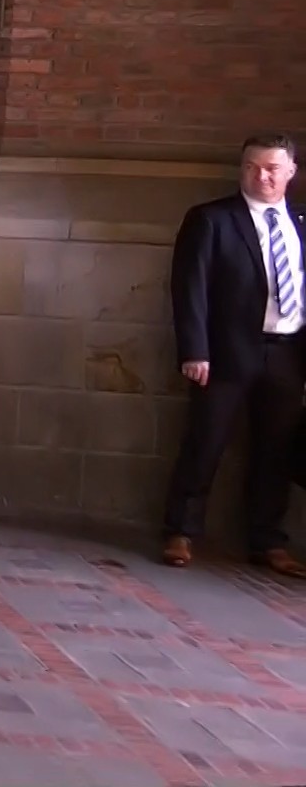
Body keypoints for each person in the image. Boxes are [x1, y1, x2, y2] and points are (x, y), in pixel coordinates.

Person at [162, 132, 304, 579]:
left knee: (276, 450)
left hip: (288, 353)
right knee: (205, 442)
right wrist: (195, 350)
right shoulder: (212, 219)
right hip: (225, 353)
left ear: (291, 171)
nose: (261, 176)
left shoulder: (301, 223)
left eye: (272, 169)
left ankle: (267, 541)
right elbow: (190, 289)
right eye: (251, 167)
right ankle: (181, 531)